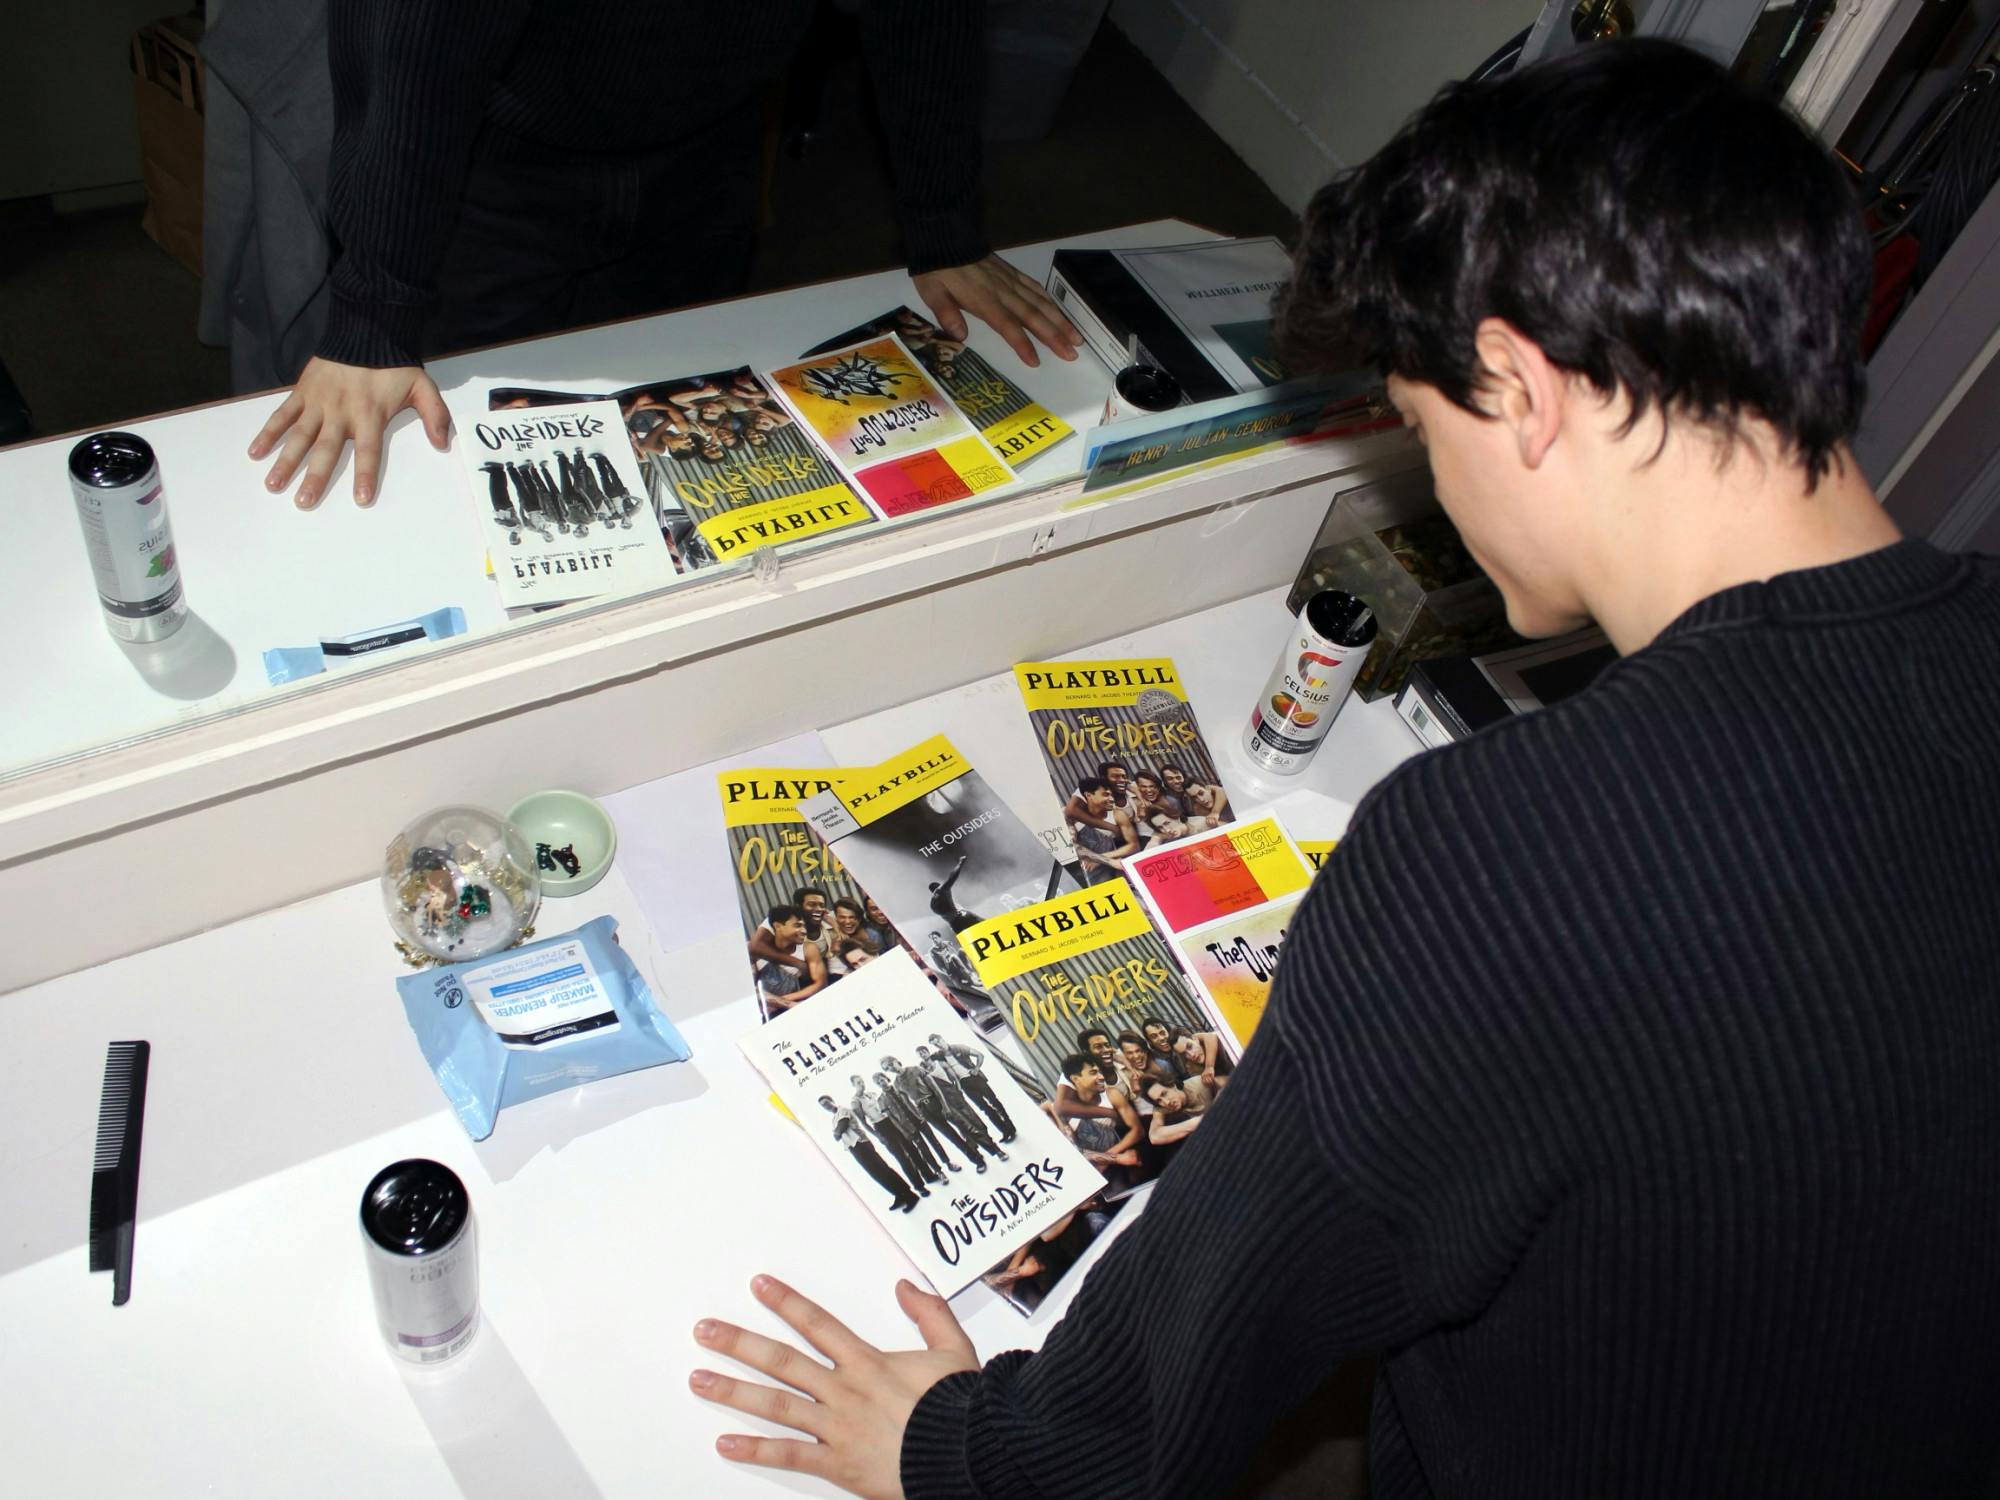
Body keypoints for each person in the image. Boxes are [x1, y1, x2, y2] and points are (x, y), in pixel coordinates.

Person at [689, 39, 2000, 1499]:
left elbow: (1156, 1401)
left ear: (1515, 386)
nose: (1433, 482)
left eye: (1426, 429)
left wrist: (960, 1450)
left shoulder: (1496, 858)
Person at [250, 1, 1078, 512]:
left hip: (707, 138)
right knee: (457, 471)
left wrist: (944, 227)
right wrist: (374, 312)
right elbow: (418, 51)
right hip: (486, 160)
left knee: (686, 463)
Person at [818, 1096, 917, 1214]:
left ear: (832, 1100)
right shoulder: (834, 1119)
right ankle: (898, 1194)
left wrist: (837, 1132)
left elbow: (841, 1127)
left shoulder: (842, 1110)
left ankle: (910, 1195)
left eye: (826, 1102)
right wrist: (837, 1132)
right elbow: (836, 1136)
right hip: (853, 1148)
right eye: (823, 1106)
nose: (826, 1106)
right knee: (875, 1174)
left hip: (862, 1143)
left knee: (882, 1169)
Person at [923, 1031, 1016, 1144]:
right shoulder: (938, 1056)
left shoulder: (958, 1047)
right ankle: (1005, 1131)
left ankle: (1011, 1127)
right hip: (964, 1085)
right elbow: (926, 1062)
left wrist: (976, 1068)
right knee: (985, 1109)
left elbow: (980, 1055)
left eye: (938, 1042)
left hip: (975, 1079)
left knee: (994, 1102)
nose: (938, 1045)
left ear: (942, 1038)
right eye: (935, 1045)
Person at [746, 905, 828, 1015]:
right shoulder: (757, 953)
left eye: (804, 926)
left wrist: (781, 1001)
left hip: (793, 1006)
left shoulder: (808, 949)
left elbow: (820, 984)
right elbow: (751, 990)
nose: (804, 931)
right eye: (797, 925)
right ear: (778, 926)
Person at [1067, 776, 1139, 885]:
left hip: (1112, 865)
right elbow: (1072, 847)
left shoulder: (1117, 814)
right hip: (1086, 870)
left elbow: (1134, 845)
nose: (1112, 799)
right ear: (1088, 795)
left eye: (1111, 795)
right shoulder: (1072, 818)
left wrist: (1102, 859)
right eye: (1105, 794)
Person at [925, 854, 982, 932]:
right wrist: (960, 863)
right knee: (989, 927)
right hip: (962, 917)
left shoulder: (932, 903)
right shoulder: (941, 890)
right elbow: (951, 878)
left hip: (955, 925)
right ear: (938, 886)